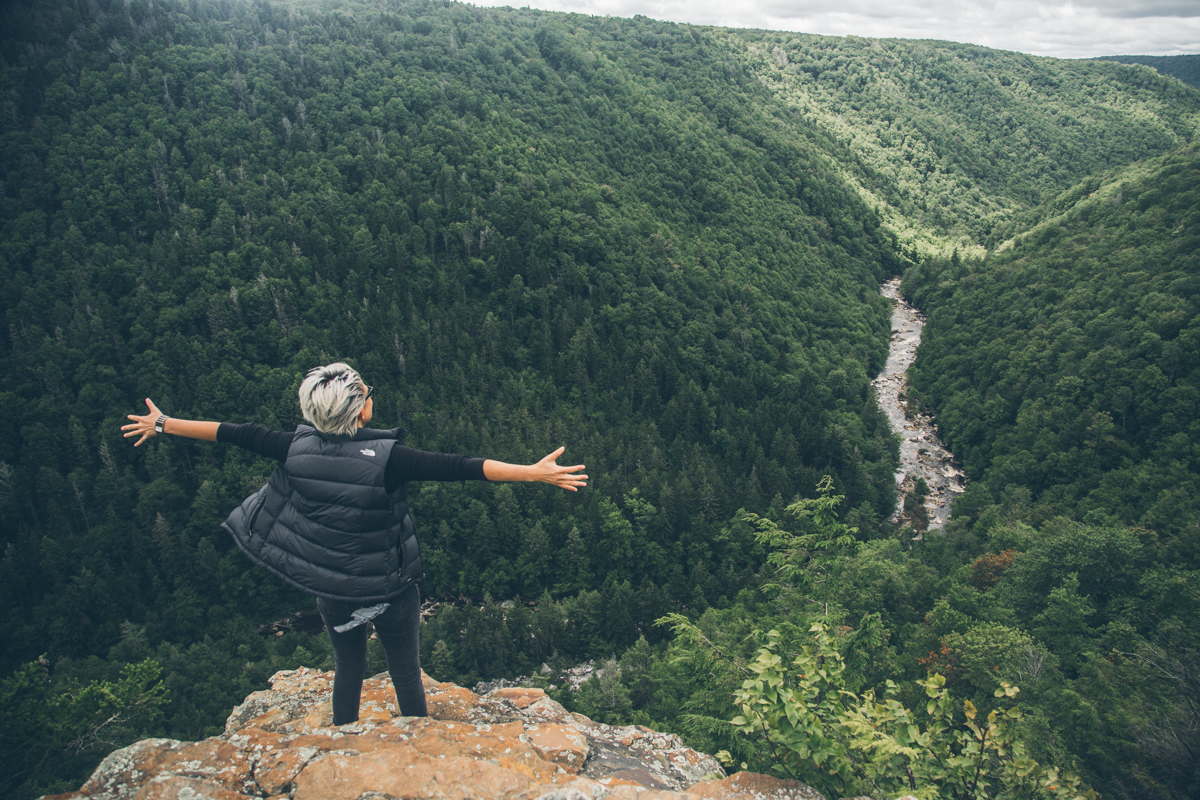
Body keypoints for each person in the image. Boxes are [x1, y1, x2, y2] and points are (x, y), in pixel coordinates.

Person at [122, 362, 586, 725]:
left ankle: (344, 736)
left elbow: (228, 432)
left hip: (334, 592)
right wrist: (531, 472)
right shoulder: (388, 459)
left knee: (349, 668)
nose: (370, 397)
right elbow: (461, 465)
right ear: (360, 409)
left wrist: (163, 424)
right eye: (366, 394)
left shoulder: (290, 448)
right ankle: (413, 742)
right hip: (390, 589)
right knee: (404, 670)